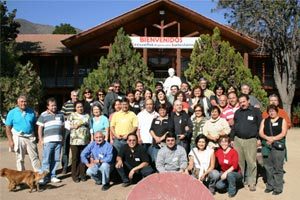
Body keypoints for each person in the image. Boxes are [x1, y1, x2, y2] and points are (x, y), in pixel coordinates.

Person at [230, 94, 262, 191]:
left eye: (244, 101)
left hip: (251, 140)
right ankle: (241, 181)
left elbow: (260, 125)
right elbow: (234, 126)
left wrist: (259, 138)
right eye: (240, 102)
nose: (242, 104)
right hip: (238, 140)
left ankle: (251, 182)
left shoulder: (255, 111)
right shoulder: (237, 112)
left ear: (248, 101)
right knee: (240, 162)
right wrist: (232, 139)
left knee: (251, 162)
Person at [5, 95, 40, 171]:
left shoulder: (31, 112)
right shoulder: (12, 112)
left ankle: (38, 176)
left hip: (30, 137)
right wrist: (10, 141)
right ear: (17, 102)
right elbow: (8, 127)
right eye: (21, 101)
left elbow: (35, 125)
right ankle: (21, 177)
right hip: (18, 137)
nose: (23, 103)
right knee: (20, 158)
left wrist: (37, 137)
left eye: (25, 101)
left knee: (35, 157)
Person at [259, 105, 288, 195]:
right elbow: (261, 132)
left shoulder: (282, 120)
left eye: (273, 111)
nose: (271, 112)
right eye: (270, 111)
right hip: (266, 146)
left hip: (277, 146)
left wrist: (273, 139)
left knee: (278, 167)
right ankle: (270, 186)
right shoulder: (265, 120)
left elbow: (283, 133)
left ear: (276, 111)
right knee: (268, 167)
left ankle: (278, 187)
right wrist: (267, 137)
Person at [37, 97, 64, 184]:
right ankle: (42, 177)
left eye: (55, 105)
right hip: (48, 142)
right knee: (46, 160)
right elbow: (40, 128)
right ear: (48, 106)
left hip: (58, 141)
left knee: (56, 160)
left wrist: (62, 138)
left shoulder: (61, 114)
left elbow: (63, 128)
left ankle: (53, 176)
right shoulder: (43, 115)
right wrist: (41, 140)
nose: (54, 107)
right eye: (52, 106)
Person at [69, 101, 91, 182]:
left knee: (83, 157)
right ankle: (75, 175)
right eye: (78, 107)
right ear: (75, 108)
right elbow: (67, 125)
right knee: (75, 158)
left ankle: (82, 174)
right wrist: (74, 126)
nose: (80, 108)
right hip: (74, 140)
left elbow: (90, 127)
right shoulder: (72, 115)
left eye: (81, 106)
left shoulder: (87, 116)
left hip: (84, 140)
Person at [61, 89, 79, 174]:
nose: (75, 97)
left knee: (75, 149)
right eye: (74, 95)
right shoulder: (66, 104)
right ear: (71, 96)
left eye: (77, 95)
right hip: (68, 129)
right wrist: (68, 117)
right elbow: (62, 115)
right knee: (65, 148)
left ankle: (74, 166)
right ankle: (64, 167)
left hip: (77, 130)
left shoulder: (80, 104)